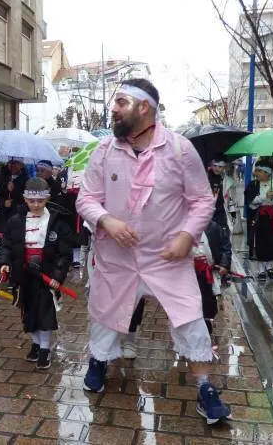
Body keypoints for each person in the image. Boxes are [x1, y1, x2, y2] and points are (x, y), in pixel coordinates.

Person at [76, 78, 230, 424]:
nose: (113, 109)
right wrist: (107, 221)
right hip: (118, 257)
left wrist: (187, 236)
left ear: (143, 107)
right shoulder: (104, 150)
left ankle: (205, 388)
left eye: (120, 102)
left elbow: (202, 200)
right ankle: (98, 362)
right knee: (106, 315)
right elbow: (86, 198)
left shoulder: (179, 149)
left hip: (167, 259)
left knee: (191, 321)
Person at [0, 177, 75, 370]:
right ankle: (36, 344)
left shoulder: (57, 222)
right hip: (24, 274)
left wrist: (57, 276)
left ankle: (45, 350)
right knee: (28, 311)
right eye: (32, 201)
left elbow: (64, 254)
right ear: (25, 199)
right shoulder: (15, 221)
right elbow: (6, 245)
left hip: (46, 274)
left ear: (47, 198)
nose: (36, 204)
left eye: (40, 201)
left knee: (45, 314)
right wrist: (5, 263)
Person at [124, 219, 231, 359]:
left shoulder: (213, 226)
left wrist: (224, 263)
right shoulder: (171, 223)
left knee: (205, 306)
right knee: (177, 308)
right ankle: (130, 339)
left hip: (203, 276)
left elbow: (224, 246)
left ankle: (202, 339)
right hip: (177, 274)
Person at [245, 159, 273, 281]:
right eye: (256, 170)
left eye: (259, 171)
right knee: (259, 243)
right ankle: (260, 269)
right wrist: (264, 197)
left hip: (272, 218)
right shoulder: (253, 185)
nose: (256, 173)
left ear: (267, 172)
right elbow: (251, 203)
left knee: (272, 242)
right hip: (258, 218)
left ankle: (269, 266)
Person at [0, 158, 29, 232]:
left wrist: (14, 190)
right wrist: (3, 202)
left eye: (16, 163)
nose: (13, 165)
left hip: (17, 218)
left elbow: (26, 199)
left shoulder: (26, 179)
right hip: (1, 218)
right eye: (11, 162)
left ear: (21, 165)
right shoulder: (1, 177)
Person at [206, 159, 230, 232]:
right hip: (209, 209)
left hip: (219, 207)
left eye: (220, 166)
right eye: (215, 166)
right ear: (211, 165)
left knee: (224, 231)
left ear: (223, 167)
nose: (217, 168)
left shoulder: (220, 177)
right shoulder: (207, 176)